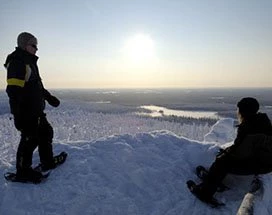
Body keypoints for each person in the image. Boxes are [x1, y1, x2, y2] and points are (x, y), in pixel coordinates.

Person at [4, 32, 66, 182]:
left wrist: (49, 98)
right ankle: (23, 171)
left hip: (35, 111)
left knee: (45, 132)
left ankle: (47, 162)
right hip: (26, 113)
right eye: (33, 45)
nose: (36, 49)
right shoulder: (18, 62)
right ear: (25, 45)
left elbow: (36, 87)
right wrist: (18, 114)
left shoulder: (29, 62)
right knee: (29, 139)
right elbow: (13, 91)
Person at [190, 97, 272, 202]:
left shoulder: (247, 127)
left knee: (222, 161)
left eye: (239, 110)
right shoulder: (263, 121)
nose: (237, 112)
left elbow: (241, 152)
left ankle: (205, 192)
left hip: (260, 165)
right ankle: (214, 180)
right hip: (267, 162)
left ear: (244, 111)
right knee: (225, 157)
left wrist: (226, 153)